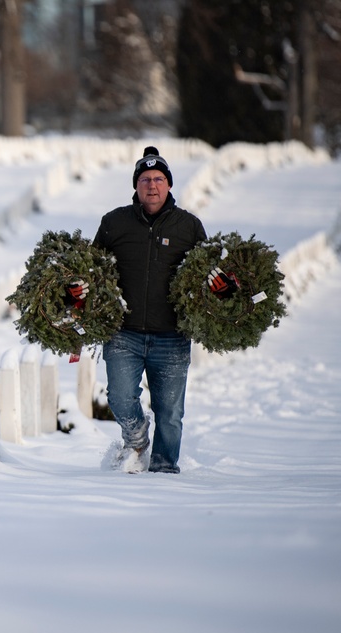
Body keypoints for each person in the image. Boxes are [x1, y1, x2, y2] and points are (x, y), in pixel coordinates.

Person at [85, 146, 235, 473]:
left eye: (158, 179)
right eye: (144, 179)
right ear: (135, 187)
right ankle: (137, 440)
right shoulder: (114, 223)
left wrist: (227, 289)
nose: (151, 185)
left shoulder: (189, 227)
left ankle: (165, 471)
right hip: (123, 333)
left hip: (172, 336)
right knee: (121, 398)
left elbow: (208, 273)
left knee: (169, 412)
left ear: (169, 185)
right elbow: (91, 271)